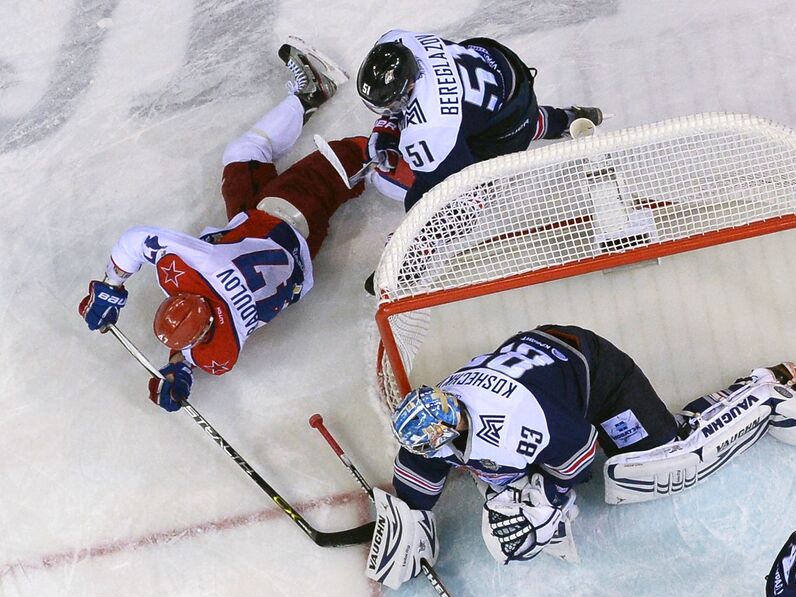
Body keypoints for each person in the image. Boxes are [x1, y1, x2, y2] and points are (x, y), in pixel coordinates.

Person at [365, 324, 796, 587]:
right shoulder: (442, 413)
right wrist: (410, 515)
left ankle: (768, 389)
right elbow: (420, 467)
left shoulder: (516, 421)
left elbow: (581, 455)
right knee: (509, 476)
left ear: (452, 424)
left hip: (599, 377)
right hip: (546, 364)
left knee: (661, 465)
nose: (433, 452)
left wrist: (547, 499)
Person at [78, 40, 370, 412]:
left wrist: (177, 375)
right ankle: (405, 154)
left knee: (243, 154)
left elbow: (192, 349)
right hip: (289, 225)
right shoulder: (199, 268)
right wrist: (110, 287)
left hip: (251, 229)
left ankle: (310, 93)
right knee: (343, 161)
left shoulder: (222, 355)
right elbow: (135, 240)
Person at [355, 29, 604, 209]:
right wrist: (388, 128)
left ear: (409, 84)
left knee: (393, 181)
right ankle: (569, 118)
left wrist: (410, 247)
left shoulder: (428, 129)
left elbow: (456, 197)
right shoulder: (398, 41)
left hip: (508, 121)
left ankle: (525, 136)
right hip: (501, 67)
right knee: (493, 116)